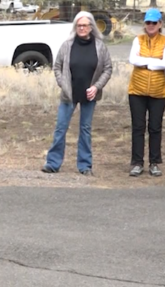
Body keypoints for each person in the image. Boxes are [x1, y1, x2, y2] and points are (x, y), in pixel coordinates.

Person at [41, 11, 112, 176]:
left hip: (89, 95)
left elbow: (108, 68)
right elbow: (57, 66)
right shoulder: (67, 45)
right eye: (79, 25)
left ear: (91, 27)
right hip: (69, 94)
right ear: (75, 27)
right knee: (61, 128)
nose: (82, 28)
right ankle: (52, 163)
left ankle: (85, 165)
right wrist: (63, 84)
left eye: (85, 25)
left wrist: (97, 87)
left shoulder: (100, 46)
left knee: (85, 129)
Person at [127, 8, 165, 177]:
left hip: (158, 92)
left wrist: (145, 62)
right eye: (148, 22)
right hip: (137, 90)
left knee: (155, 128)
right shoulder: (137, 40)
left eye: (154, 22)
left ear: (160, 24)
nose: (151, 25)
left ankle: (154, 162)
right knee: (138, 128)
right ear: (144, 24)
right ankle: (137, 163)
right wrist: (155, 62)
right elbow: (133, 59)